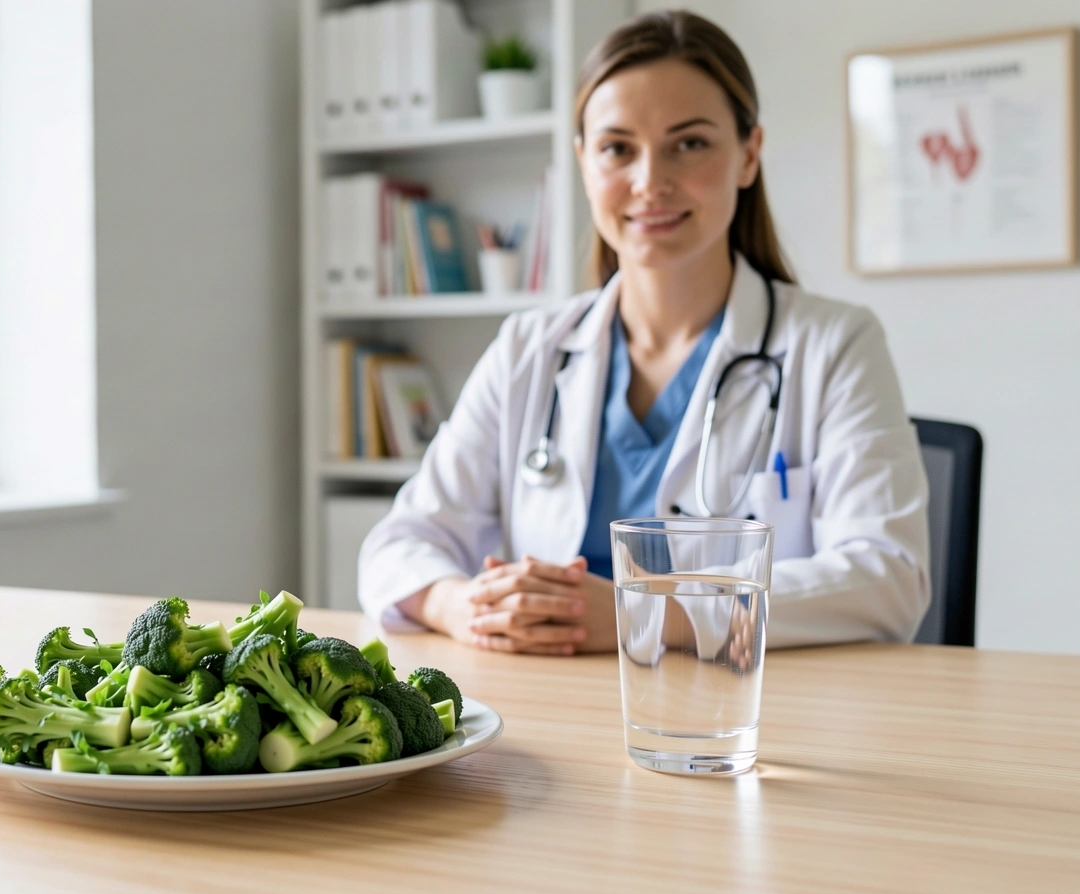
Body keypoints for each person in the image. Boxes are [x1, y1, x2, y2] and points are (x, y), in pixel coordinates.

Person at [357, 10, 930, 656]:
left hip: (738, 727)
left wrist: (651, 611)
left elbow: (888, 577)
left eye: (689, 143)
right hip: (548, 710)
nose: (650, 181)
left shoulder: (835, 345)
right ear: (582, 160)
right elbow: (398, 544)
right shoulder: (530, 347)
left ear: (748, 155)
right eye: (617, 148)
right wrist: (462, 605)